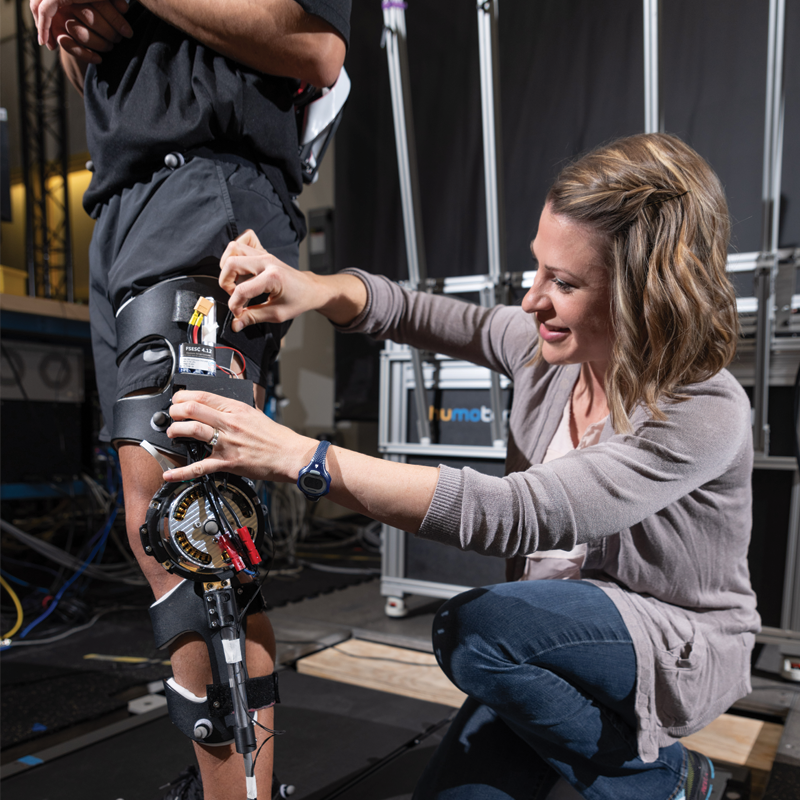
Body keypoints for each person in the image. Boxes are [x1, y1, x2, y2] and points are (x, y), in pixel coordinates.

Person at [162, 133, 760, 800]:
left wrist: (298, 455)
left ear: (645, 296)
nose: (533, 300)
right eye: (538, 269)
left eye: (562, 283)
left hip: (664, 645)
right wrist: (313, 289)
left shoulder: (703, 407)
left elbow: (518, 514)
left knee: (475, 630)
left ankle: (671, 779)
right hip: (549, 649)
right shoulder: (545, 352)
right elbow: (419, 312)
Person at [29, 0, 350, 797]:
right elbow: (93, 65)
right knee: (166, 534)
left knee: (194, 532)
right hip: (124, 205)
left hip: (206, 185)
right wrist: (66, 21)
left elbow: (316, 49)